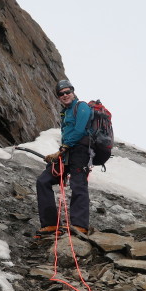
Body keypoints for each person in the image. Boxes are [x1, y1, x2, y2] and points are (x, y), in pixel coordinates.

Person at [35, 79, 92, 238]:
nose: (65, 95)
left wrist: (62, 149)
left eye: (68, 92)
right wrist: (62, 151)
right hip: (67, 152)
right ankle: (50, 224)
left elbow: (80, 130)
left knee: (78, 184)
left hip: (80, 151)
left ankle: (79, 225)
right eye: (61, 94)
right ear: (58, 97)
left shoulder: (82, 107)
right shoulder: (65, 112)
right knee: (43, 180)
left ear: (73, 92)